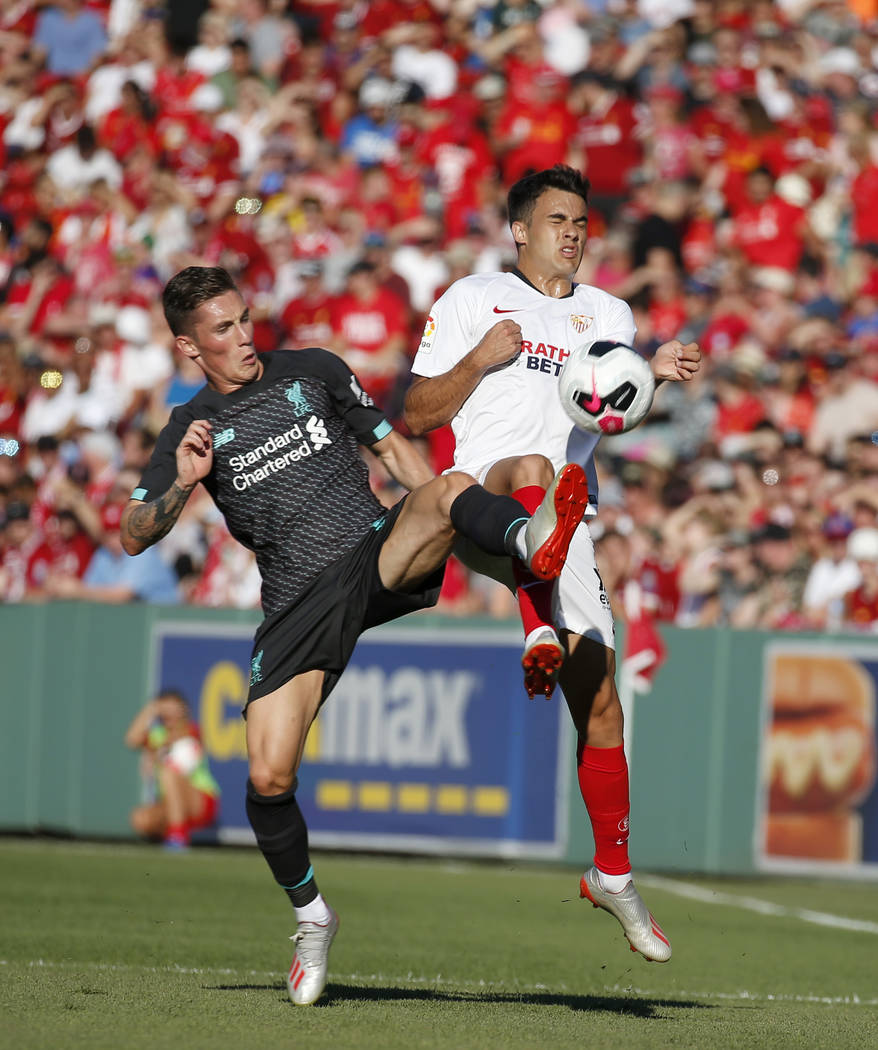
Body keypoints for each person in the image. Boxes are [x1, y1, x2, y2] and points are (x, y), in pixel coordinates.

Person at [120, 265, 591, 1005]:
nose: (244, 336)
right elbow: (132, 534)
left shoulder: (314, 370)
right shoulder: (191, 427)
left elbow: (396, 452)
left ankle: (531, 539)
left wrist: (445, 504)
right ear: (188, 346)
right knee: (269, 779)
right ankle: (313, 918)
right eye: (223, 329)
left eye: (245, 318)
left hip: (373, 550)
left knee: (443, 486)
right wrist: (183, 481)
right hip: (296, 605)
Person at [404, 164, 703, 964]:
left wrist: (650, 378)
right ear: (520, 230)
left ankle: (612, 873)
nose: (574, 233)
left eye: (582, 222)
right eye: (558, 219)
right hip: (481, 498)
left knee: (601, 703)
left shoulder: (610, 313)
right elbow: (416, 410)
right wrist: (478, 362)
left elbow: (607, 414)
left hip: (569, 523)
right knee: (536, 473)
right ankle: (536, 623)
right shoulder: (474, 299)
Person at [124, 689, 221, 850]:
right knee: (139, 819)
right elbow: (131, 740)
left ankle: (178, 835)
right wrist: (152, 709)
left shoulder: (192, 729)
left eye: (173, 708)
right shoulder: (157, 734)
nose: (169, 713)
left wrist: (156, 753)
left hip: (200, 800)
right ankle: (172, 833)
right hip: (170, 803)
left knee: (168, 772)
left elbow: (180, 737)